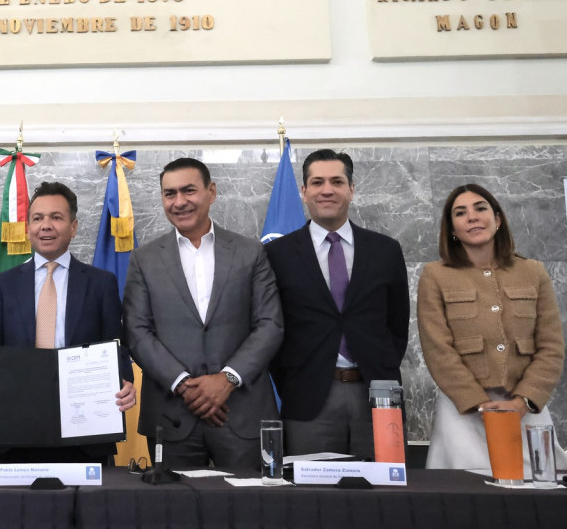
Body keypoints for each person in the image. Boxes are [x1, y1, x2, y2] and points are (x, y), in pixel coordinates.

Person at [123, 157, 283, 469]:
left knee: (249, 514)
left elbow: (270, 324)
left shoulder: (250, 252)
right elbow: (137, 331)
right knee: (173, 515)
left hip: (241, 412)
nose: (179, 202)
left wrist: (227, 379)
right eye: (170, 194)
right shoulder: (144, 259)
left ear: (211, 191)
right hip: (172, 418)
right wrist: (185, 384)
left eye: (188, 191)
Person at [0, 181, 136, 463]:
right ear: (28, 228)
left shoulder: (101, 284)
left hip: (85, 429)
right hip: (18, 426)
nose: (46, 226)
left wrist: (125, 379)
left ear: (74, 227)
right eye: (38, 218)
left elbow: (116, 347)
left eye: (56, 217)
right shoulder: (4, 285)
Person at [265, 149, 409, 458]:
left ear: (352, 189)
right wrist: (294, 378)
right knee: (312, 499)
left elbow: (397, 326)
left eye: (337, 181)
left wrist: (377, 368)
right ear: (304, 192)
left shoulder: (385, 250)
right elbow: (271, 327)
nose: (327, 190)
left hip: (376, 397)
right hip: (308, 398)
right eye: (317, 182)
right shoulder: (278, 254)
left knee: (384, 497)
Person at [418, 184, 566, 473]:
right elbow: (438, 350)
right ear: (452, 229)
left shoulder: (533, 271)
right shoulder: (435, 276)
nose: (472, 217)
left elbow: (551, 346)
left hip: (525, 409)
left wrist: (524, 401)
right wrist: (479, 404)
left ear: (498, 219)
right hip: (463, 412)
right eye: (460, 213)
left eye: (480, 208)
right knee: (465, 500)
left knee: (538, 498)